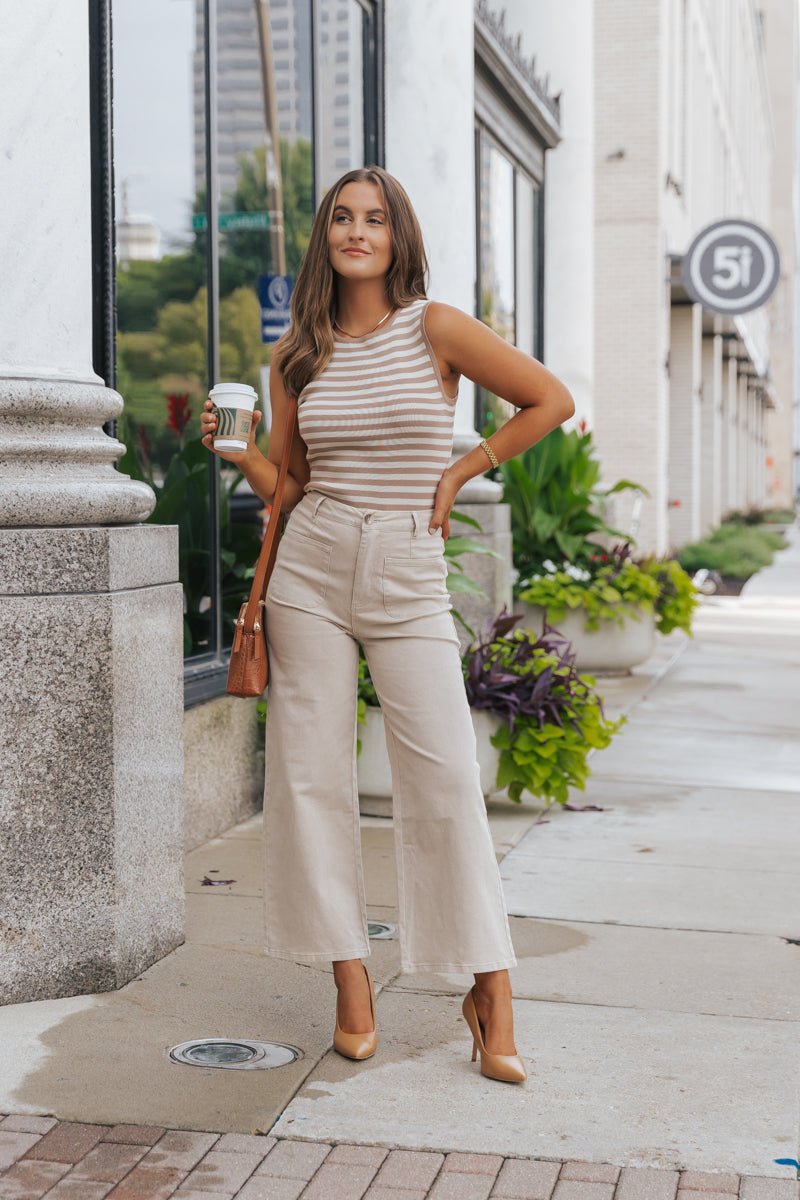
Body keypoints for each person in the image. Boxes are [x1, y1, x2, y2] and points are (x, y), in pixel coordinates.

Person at [201, 165, 574, 1085]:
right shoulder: (302, 353)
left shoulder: (435, 327)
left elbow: (549, 401)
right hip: (313, 569)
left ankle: (489, 991)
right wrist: (244, 452)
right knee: (310, 779)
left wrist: (460, 472)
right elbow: (290, 491)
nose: (356, 231)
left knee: (447, 779)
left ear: (398, 236)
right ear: (325, 236)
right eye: (342, 217)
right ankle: (351, 982)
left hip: (407, 567)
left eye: (374, 218)